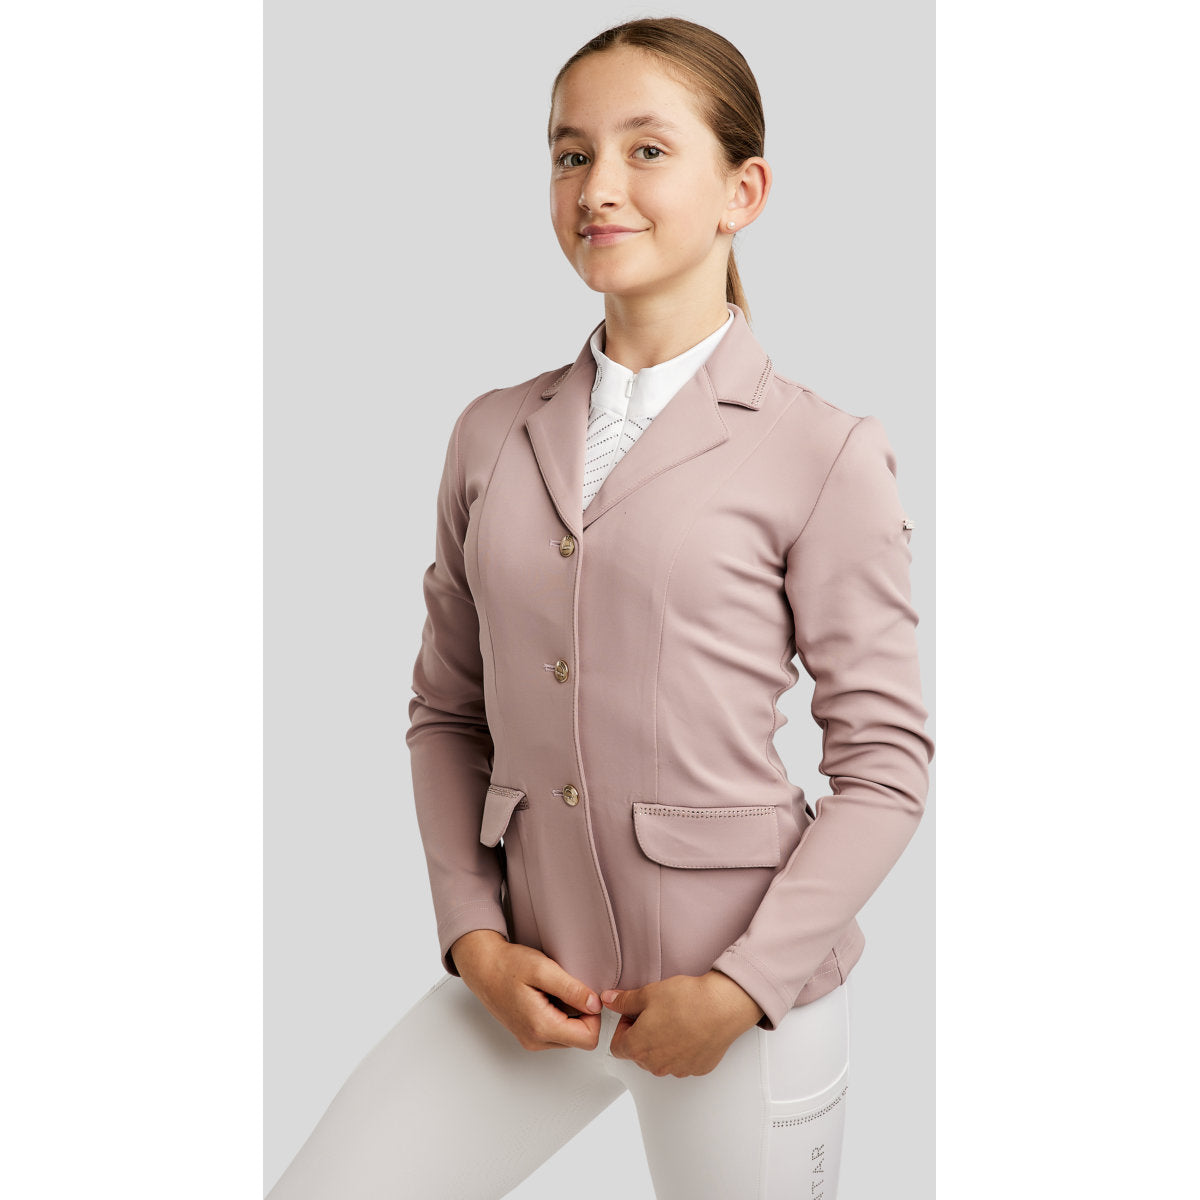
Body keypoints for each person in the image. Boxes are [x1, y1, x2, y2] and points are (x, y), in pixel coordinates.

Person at [266, 16, 933, 1200]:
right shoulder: (490, 433)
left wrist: (741, 989)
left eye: (646, 150)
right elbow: (446, 714)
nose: (598, 187)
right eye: (571, 154)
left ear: (743, 192)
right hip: (531, 984)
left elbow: (884, 763)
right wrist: (474, 939)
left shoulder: (825, 452)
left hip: (744, 1005)